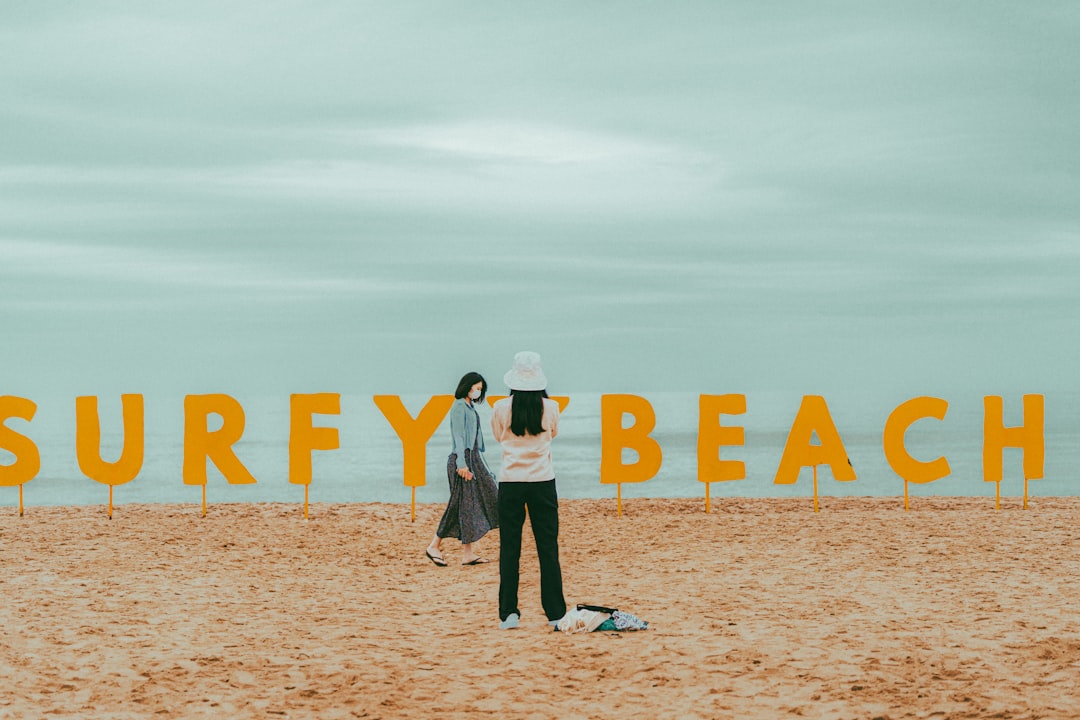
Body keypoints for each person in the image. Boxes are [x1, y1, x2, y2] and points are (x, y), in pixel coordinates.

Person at [490, 351, 566, 630]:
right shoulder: (551, 407)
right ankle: (556, 613)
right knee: (548, 548)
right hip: (543, 481)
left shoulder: (500, 407)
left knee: (509, 548)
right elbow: (553, 434)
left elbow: (499, 436)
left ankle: (508, 613)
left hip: (511, 481)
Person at [425, 372, 499, 567]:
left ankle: (468, 553)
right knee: (460, 504)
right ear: (467, 386)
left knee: (485, 497)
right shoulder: (459, 406)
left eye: (480, 389)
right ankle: (434, 545)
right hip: (463, 459)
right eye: (476, 387)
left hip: (473, 458)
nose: (478, 392)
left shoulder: (470, 406)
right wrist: (461, 465)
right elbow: (458, 437)